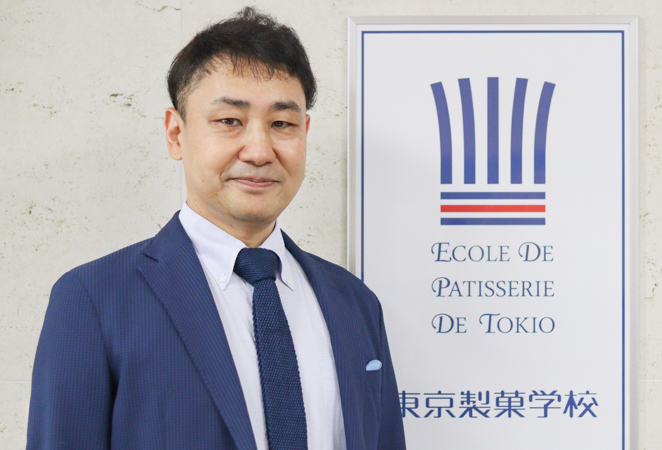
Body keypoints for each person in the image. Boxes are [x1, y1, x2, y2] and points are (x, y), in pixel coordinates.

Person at [26, 7, 405, 450]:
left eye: (282, 124)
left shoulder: (355, 304)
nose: (259, 151)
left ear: (305, 132)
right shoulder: (93, 299)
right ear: (175, 134)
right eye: (230, 121)